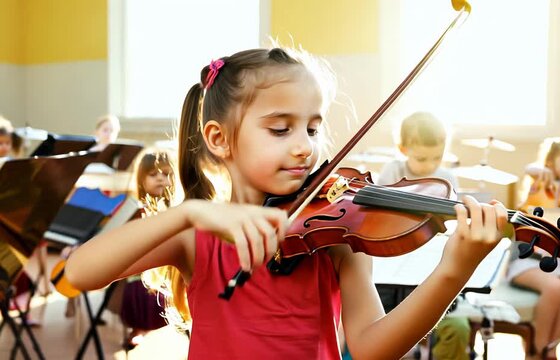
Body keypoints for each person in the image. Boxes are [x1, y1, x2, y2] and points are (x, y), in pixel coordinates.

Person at [65, 47, 508, 359]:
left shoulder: (334, 237)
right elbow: (80, 272)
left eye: (313, 129)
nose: (304, 148)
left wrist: (454, 270)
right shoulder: (194, 236)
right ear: (219, 139)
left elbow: (373, 348)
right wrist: (189, 211)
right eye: (281, 129)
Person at [375, 111, 469, 360]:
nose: (429, 166)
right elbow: (381, 214)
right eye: (421, 158)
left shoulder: (447, 178)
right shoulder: (393, 171)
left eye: (437, 157)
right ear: (403, 149)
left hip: (429, 258)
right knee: (389, 323)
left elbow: (451, 223)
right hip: (391, 259)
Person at [507, 134, 560, 358]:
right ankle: (539, 348)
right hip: (528, 259)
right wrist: (539, 171)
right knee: (554, 287)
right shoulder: (539, 184)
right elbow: (529, 168)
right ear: (550, 162)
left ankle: (548, 348)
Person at [119, 151, 174, 349]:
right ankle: (138, 328)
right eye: (153, 175)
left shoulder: (176, 208)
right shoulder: (136, 209)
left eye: (166, 174)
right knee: (138, 289)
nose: (160, 178)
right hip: (142, 269)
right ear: (141, 180)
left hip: (170, 267)